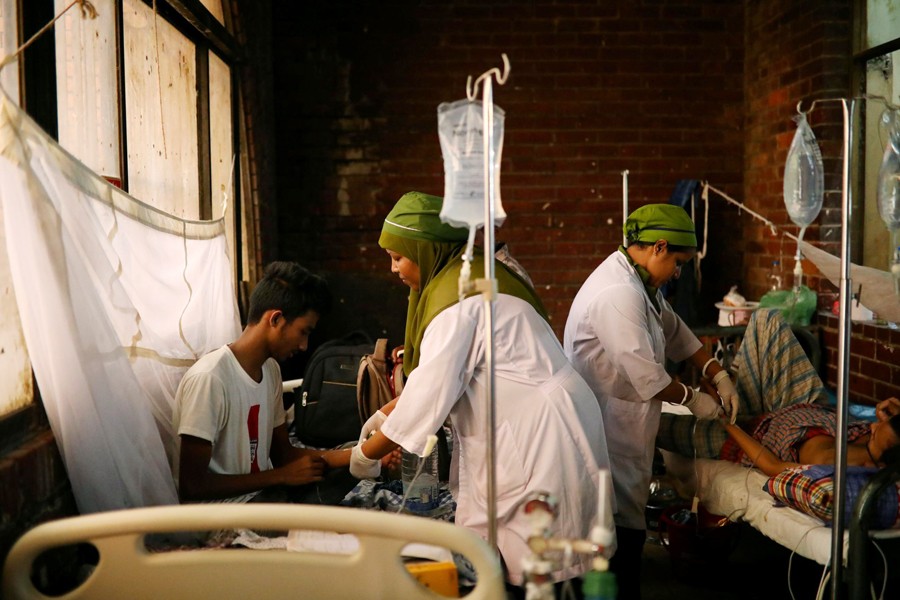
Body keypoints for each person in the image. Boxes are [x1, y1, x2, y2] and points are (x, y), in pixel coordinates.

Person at [348, 192, 616, 594]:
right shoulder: (468, 281)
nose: (393, 268)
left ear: (426, 250)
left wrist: (361, 456)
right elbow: (431, 384)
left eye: (398, 257)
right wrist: (381, 420)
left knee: (542, 564)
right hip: (539, 422)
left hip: (540, 435)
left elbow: (426, 400)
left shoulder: (459, 306)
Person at [563, 203, 736, 600]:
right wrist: (696, 400)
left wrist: (716, 372)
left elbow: (675, 331)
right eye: (677, 262)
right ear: (658, 247)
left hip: (627, 421)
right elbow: (648, 378)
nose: (678, 272)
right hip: (606, 423)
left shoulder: (641, 284)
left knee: (625, 514)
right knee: (615, 524)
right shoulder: (618, 293)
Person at [173, 261, 354, 503]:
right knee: (310, 512)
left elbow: (283, 456)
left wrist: (358, 454)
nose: (304, 346)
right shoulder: (210, 379)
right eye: (304, 332)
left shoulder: (270, 370)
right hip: (226, 513)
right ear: (276, 319)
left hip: (267, 494)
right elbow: (192, 487)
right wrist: (279, 476)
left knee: (351, 467)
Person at [719, 398, 900, 477]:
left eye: (875, 432)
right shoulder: (879, 446)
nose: (873, 425)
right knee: (767, 319)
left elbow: (771, 465)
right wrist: (888, 421)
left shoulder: (830, 467)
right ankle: (727, 377)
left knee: (699, 418)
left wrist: (726, 421)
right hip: (802, 404)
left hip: (752, 432)